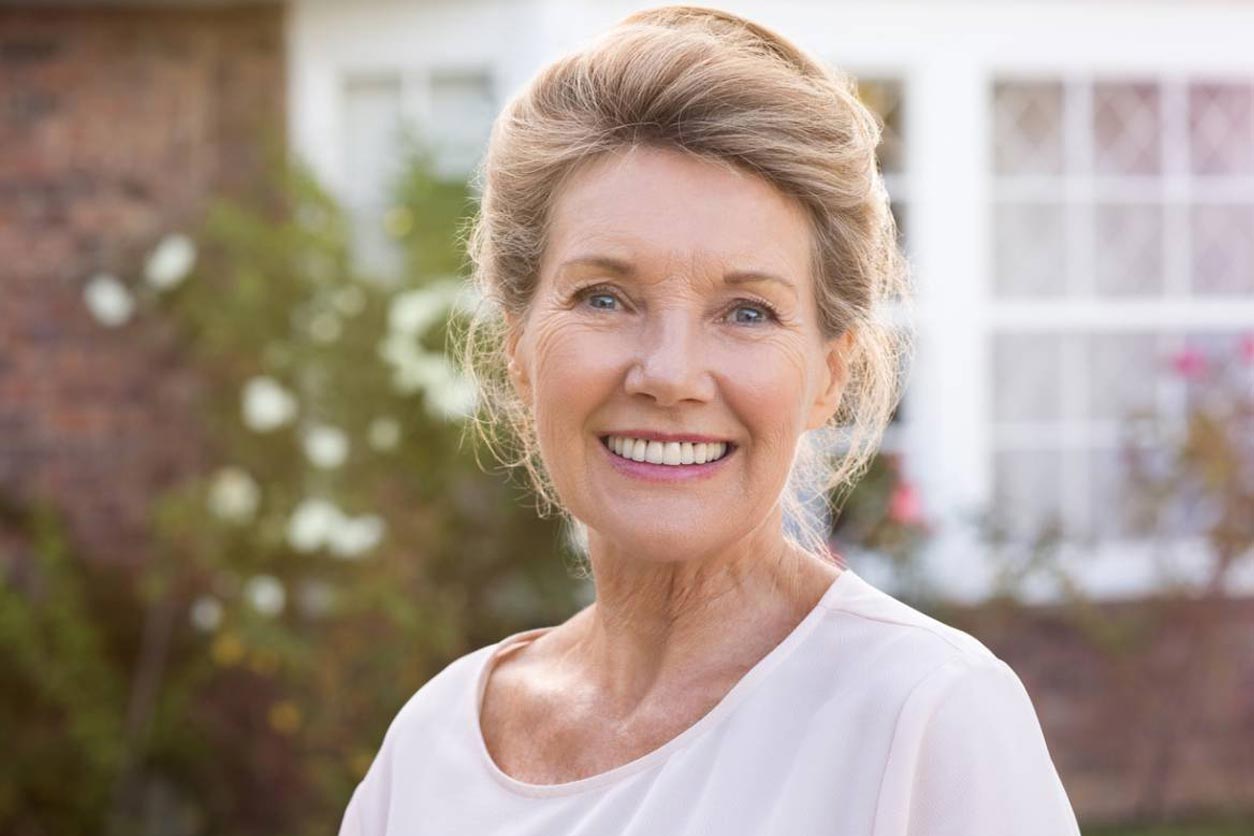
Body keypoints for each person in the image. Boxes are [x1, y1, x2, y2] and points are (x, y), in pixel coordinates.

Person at [337, 6, 1082, 834]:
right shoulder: (434, 747)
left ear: (829, 376)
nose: (671, 375)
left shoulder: (924, 715)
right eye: (606, 298)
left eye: (748, 312)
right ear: (518, 348)